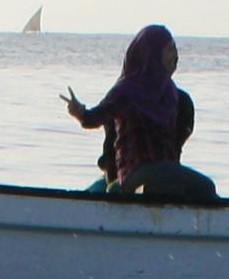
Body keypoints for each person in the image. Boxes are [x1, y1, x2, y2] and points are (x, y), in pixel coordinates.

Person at [65, 26, 203, 198]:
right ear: (152, 54)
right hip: (134, 171)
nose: (175, 56)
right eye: (169, 49)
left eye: (175, 49)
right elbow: (94, 118)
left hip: (166, 170)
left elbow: (177, 144)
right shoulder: (127, 90)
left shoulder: (175, 96)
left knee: (203, 188)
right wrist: (80, 112)